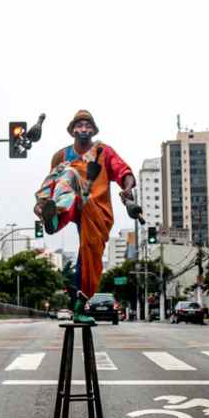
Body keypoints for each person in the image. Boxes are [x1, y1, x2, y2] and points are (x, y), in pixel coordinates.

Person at [34, 109, 138, 322]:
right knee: (68, 173)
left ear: (93, 130)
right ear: (72, 130)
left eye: (87, 125)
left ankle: (80, 306)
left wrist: (127, 189)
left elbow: (124, 172)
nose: (83, 129)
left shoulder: (103, 152)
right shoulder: (61, 156)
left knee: (89, 255)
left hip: (96, 208)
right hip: (71, 199)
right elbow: (52, 180)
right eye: (79, 125)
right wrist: (41, 204)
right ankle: (53, 219)